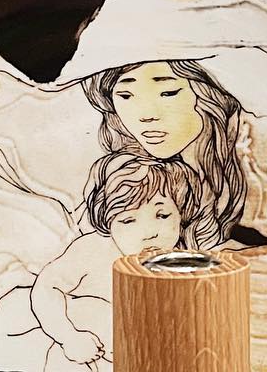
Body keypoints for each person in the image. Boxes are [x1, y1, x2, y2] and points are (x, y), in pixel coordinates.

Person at [28, 152, 197, 372]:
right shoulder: (92, 250)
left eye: (162, 215)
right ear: (108, 223)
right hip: (80, 356)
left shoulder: (181, 263)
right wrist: (69, 337)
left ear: (181, 213)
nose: (149, 232)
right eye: (128, 220)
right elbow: (46, 288)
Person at [82, 59, 247, 251]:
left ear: (206, 94)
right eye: (125, 96)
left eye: (168, 93)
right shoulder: (119, 177)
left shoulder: (253, 177)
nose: (147, 115)